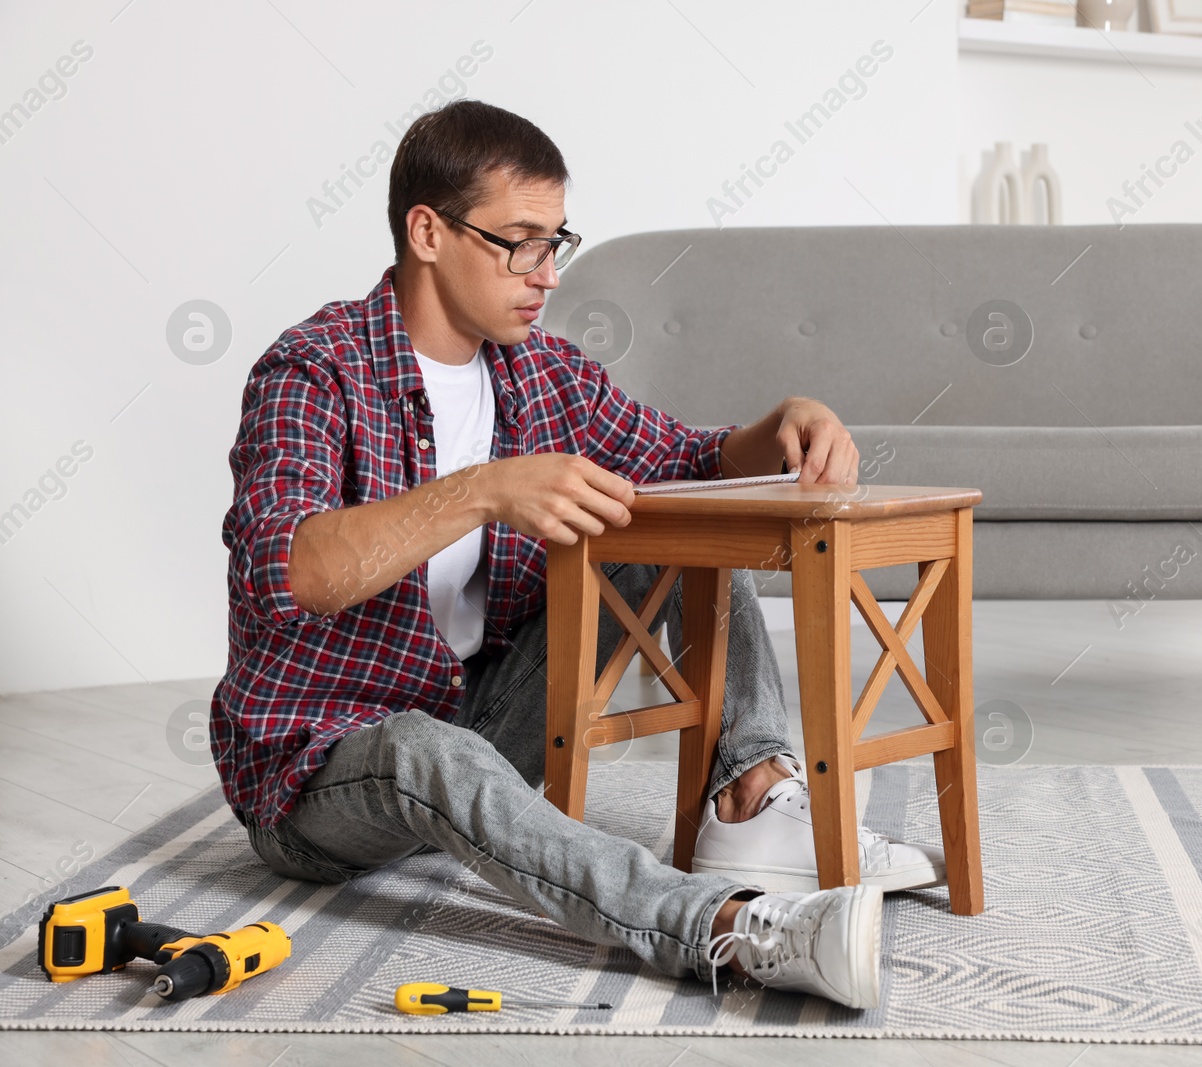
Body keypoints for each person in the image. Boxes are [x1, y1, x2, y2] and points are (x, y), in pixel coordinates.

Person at [211, 99, 944, 1009]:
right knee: (423, 749)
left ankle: (752, 797)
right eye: (521, 242)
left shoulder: (544, 374)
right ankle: (728, 928)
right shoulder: (313, 371)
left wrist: (786, 424)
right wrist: (483, 488)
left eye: (557, 242)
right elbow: (296, 570)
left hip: (482, 718)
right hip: (319, 771)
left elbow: (691, 462)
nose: (547, 273)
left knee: (673, 536)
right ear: (428, 231)